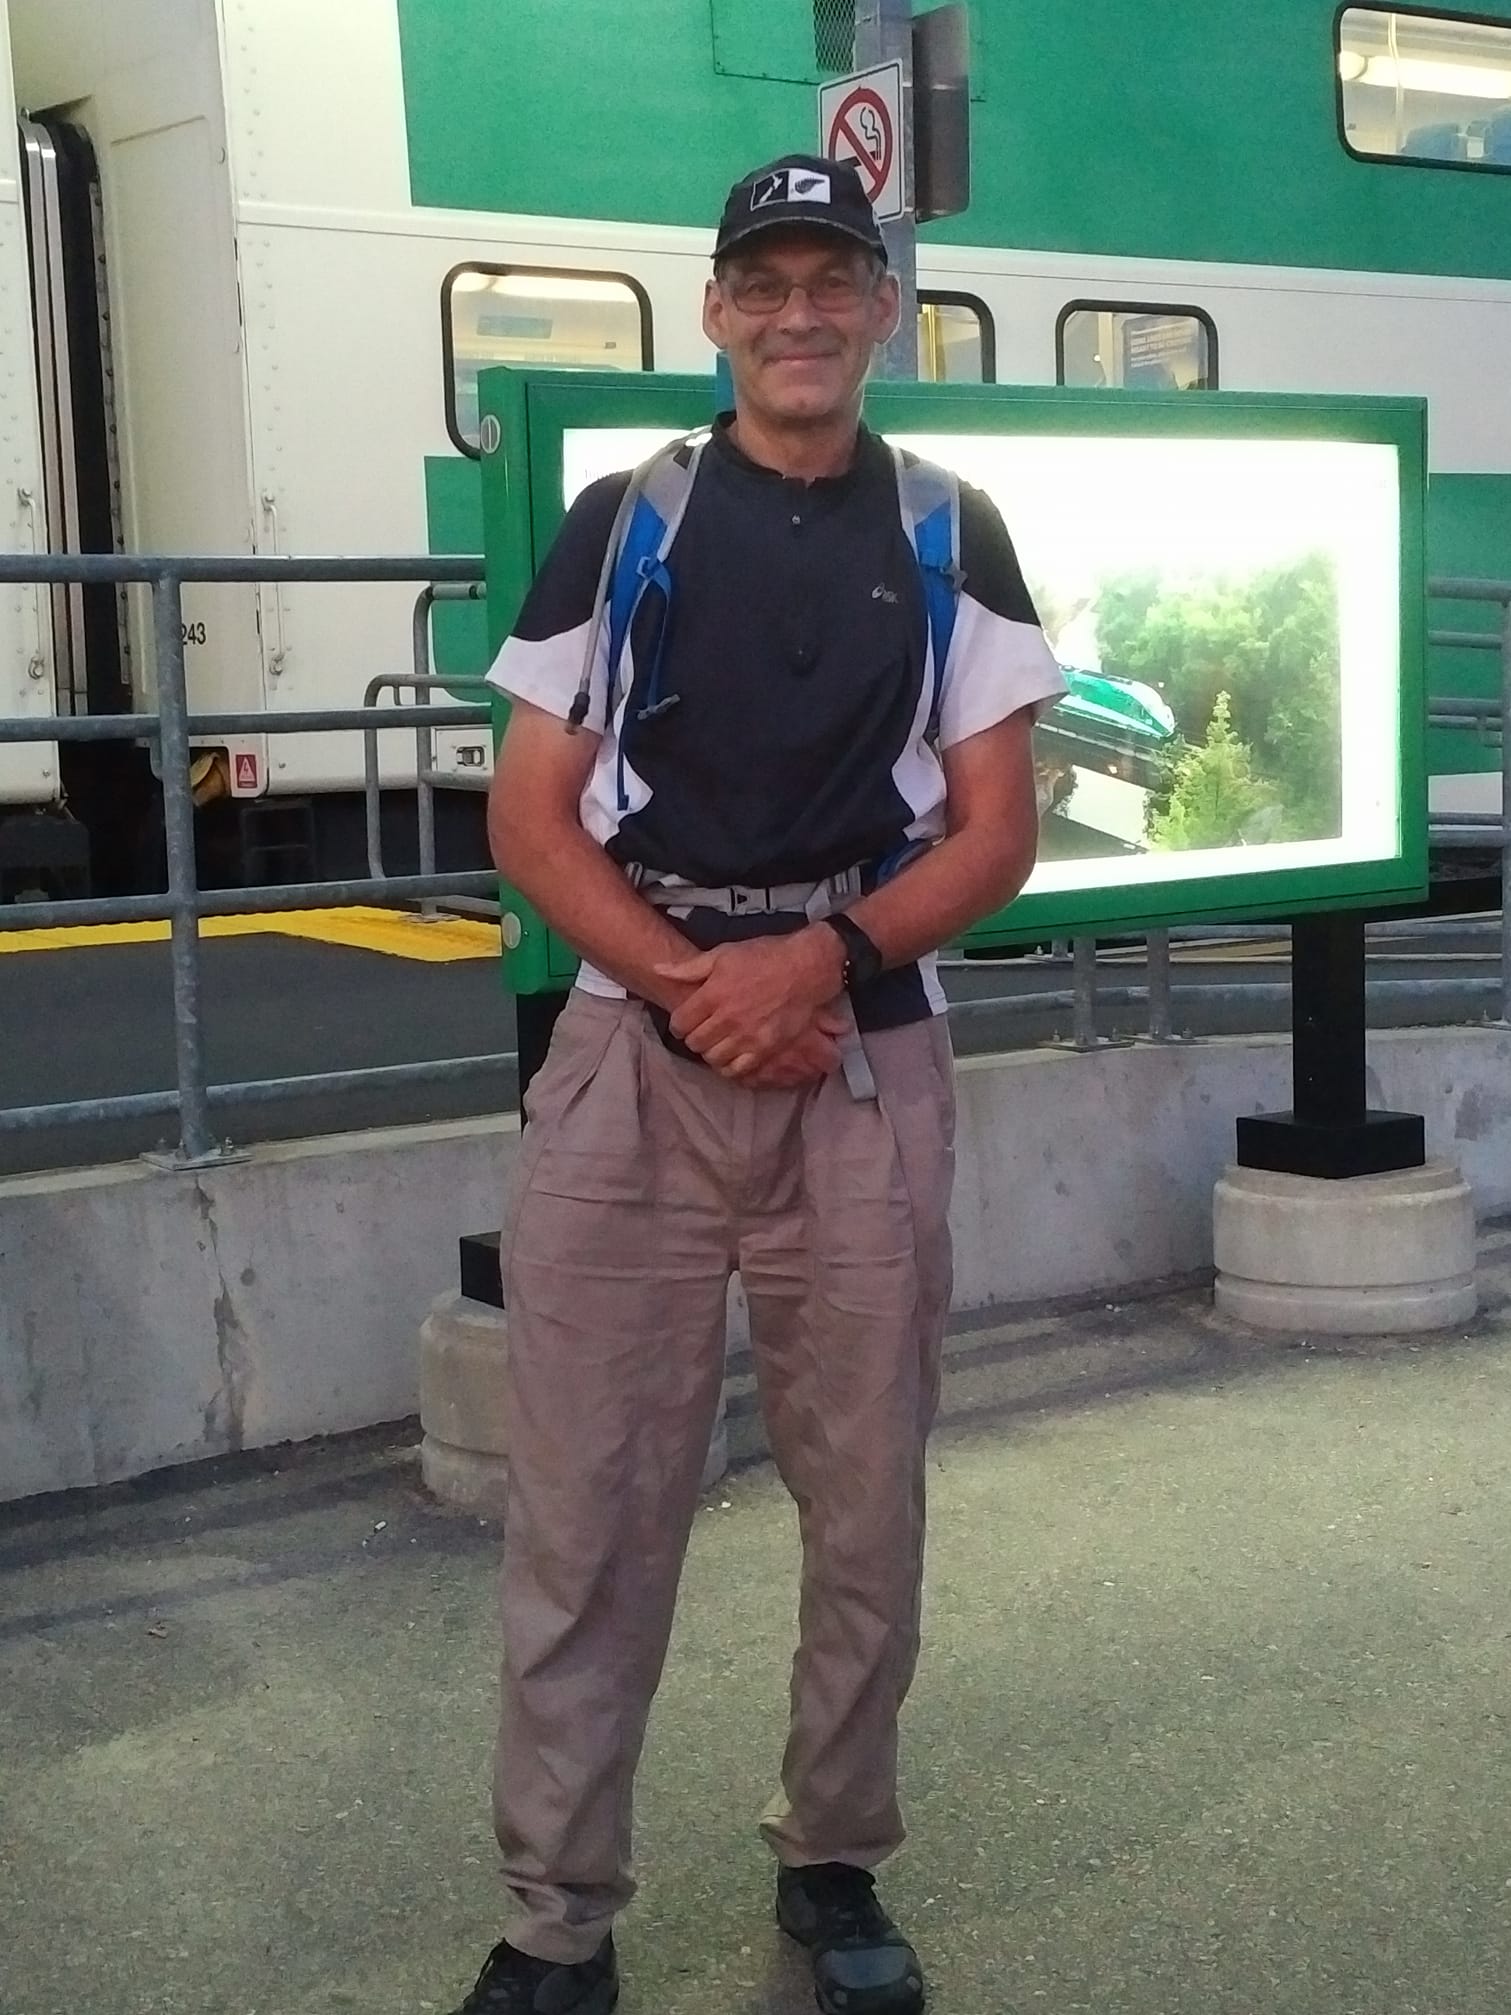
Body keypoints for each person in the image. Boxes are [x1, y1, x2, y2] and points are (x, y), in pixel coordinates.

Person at [451, 152, 1067, 2015]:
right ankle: (559, 1920)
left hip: (863, 1055)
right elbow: (530, 820)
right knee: (587, 1507)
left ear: (885, 309)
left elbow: (999, 831)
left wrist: (821, 962)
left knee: (865, 1498)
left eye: (834, 281)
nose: (801, 314)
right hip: (634, 1059)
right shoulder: (625, 521)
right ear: (716, 310)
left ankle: (834, 1861)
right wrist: (703, 987)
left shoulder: (951, 528)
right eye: (766, 283)